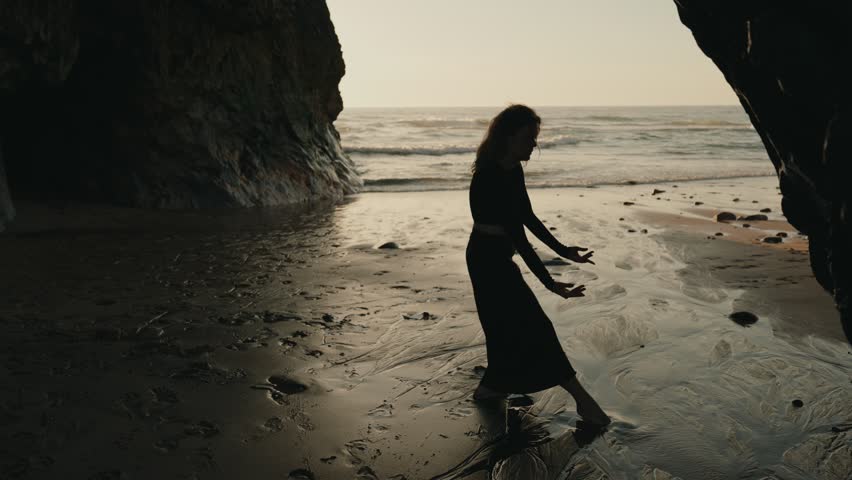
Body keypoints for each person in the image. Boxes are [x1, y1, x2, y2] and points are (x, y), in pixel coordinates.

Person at [466, 104, 610, 426]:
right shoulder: (489, 176)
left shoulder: (512, 169)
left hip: (498, 256)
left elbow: (527, 217)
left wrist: (564, 250)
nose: (535, 145)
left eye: (536, 138)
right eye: (529, 138)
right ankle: (584, 402)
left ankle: (491, 387)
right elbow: (518, 235)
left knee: (505, 327)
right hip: (486, 261)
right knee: (534, 326)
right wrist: (550, 284)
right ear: (508, 136)